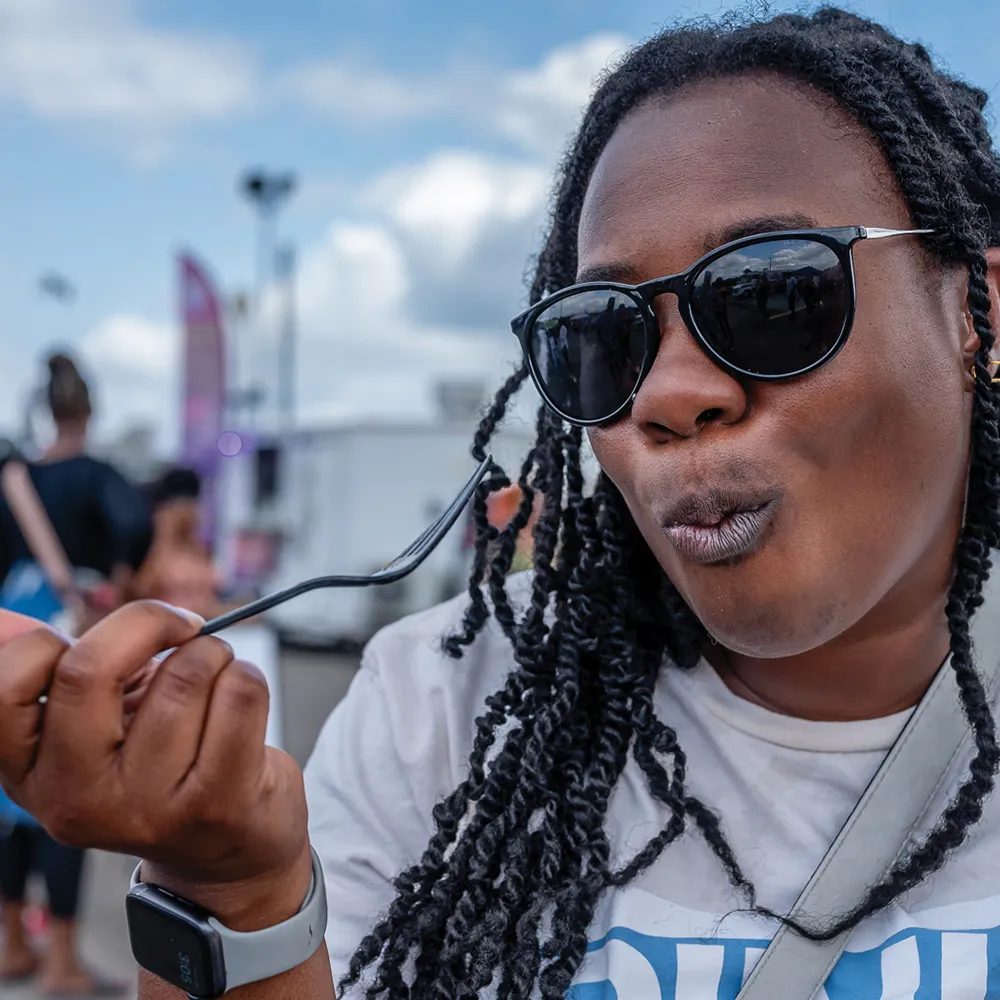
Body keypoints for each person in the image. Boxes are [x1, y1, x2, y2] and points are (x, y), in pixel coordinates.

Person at [2, 7, 1000, 998]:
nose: (667, 394)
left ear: (976, 315)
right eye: (602, 336)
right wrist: (229, 882)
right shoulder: (440, 704)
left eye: (769, 294)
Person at [0, 352, 150, 996]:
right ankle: (63, 963)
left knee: (8, 791)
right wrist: (115, 582)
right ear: (89, 410)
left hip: (11, 625)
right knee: (65, 787)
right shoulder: (96, 476)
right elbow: (136, 525)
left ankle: (10, 944)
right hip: (67, 630)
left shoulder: (15, 480)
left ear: (45, 409)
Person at [132, 466, 222, 619]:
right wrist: (164, 534)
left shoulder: (200, 547)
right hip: (166, 629)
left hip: (203, 626)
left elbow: (206, 602)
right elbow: (141, 591)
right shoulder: (150, 543)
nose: (191, 511)